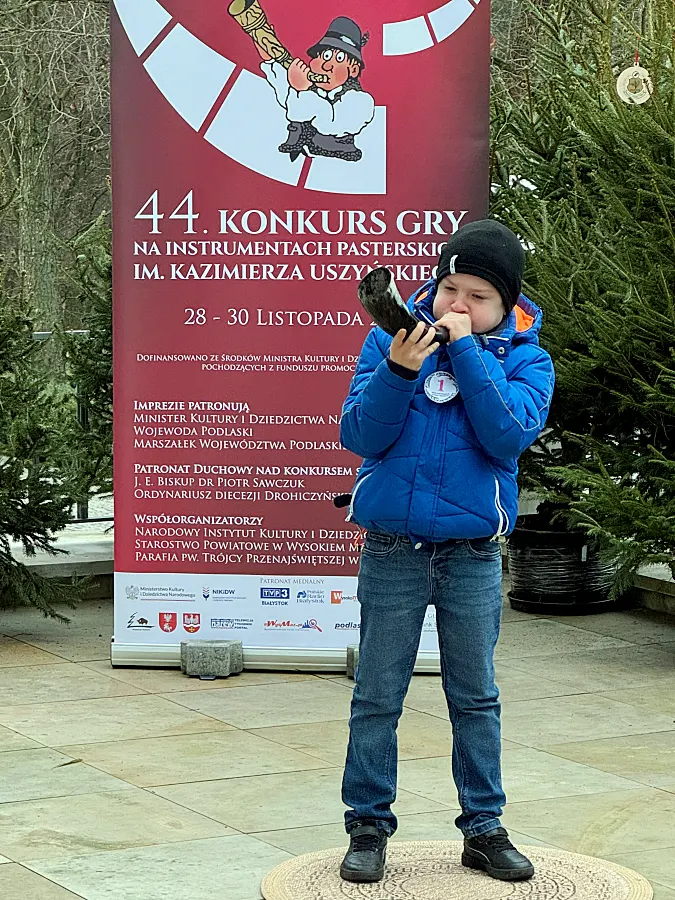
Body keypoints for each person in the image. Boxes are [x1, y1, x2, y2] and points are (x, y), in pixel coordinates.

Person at [338, 219, 555, 884]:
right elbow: (359, 435)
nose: (457, 305)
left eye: (477, 297)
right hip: (392, 550)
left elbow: (506, 434)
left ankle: (484, 828)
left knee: (474, 696)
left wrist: (465, 353)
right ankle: (367, 826)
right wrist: (400, 371)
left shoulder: (526, 360)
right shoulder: (391, 340)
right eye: (449, 289)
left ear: (506, 304)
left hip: (471, 556)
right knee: (377, 695)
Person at [257, 17, 375, 162]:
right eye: (325, 56)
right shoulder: (312, 87)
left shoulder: (360, 101)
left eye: (339, 59)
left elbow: (329, 123)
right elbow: (286, 94)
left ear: (354, 70)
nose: (326, 66)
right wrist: (271, 60)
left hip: (335, 162)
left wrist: (302, 90)